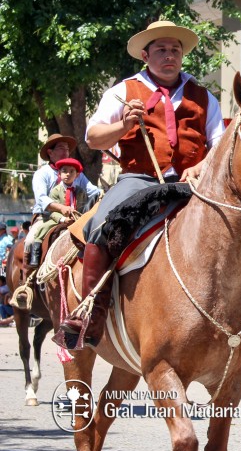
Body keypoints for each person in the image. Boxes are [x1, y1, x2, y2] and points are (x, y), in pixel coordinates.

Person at [55, 20, 226, 350]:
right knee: (100, 226)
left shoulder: (204, 97)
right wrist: (124, 124)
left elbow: (219, 143)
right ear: (146, 55)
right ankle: (90, 312)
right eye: (161, 49)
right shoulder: (122, 91)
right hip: (140, 179)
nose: (169, 55)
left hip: (193, 181)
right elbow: (92, 138)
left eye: (175, 50)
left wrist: (202, 165)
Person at [24, 133, 101, 269]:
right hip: (46, 217)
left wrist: (107, 194)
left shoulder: (76, 173)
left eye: (67, 149)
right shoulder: (42, 173)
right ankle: (28, 279)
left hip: (74, 217)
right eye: (61, 148)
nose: (66, 151)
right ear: (50, 152)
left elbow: (93, 190)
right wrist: (61, 208)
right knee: (30, 240)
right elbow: (41, 199)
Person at [30, 159, 90, 245]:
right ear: (59, 173)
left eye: (71, 171)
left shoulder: (81, 192)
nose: (68, 174)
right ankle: (36, 256)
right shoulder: (55, 191)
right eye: (64, 171)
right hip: (57, 220)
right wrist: (63, 219)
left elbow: (84, 209)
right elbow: (52, 212)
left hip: (77, 221)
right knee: (40, 232)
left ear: (77, 175)